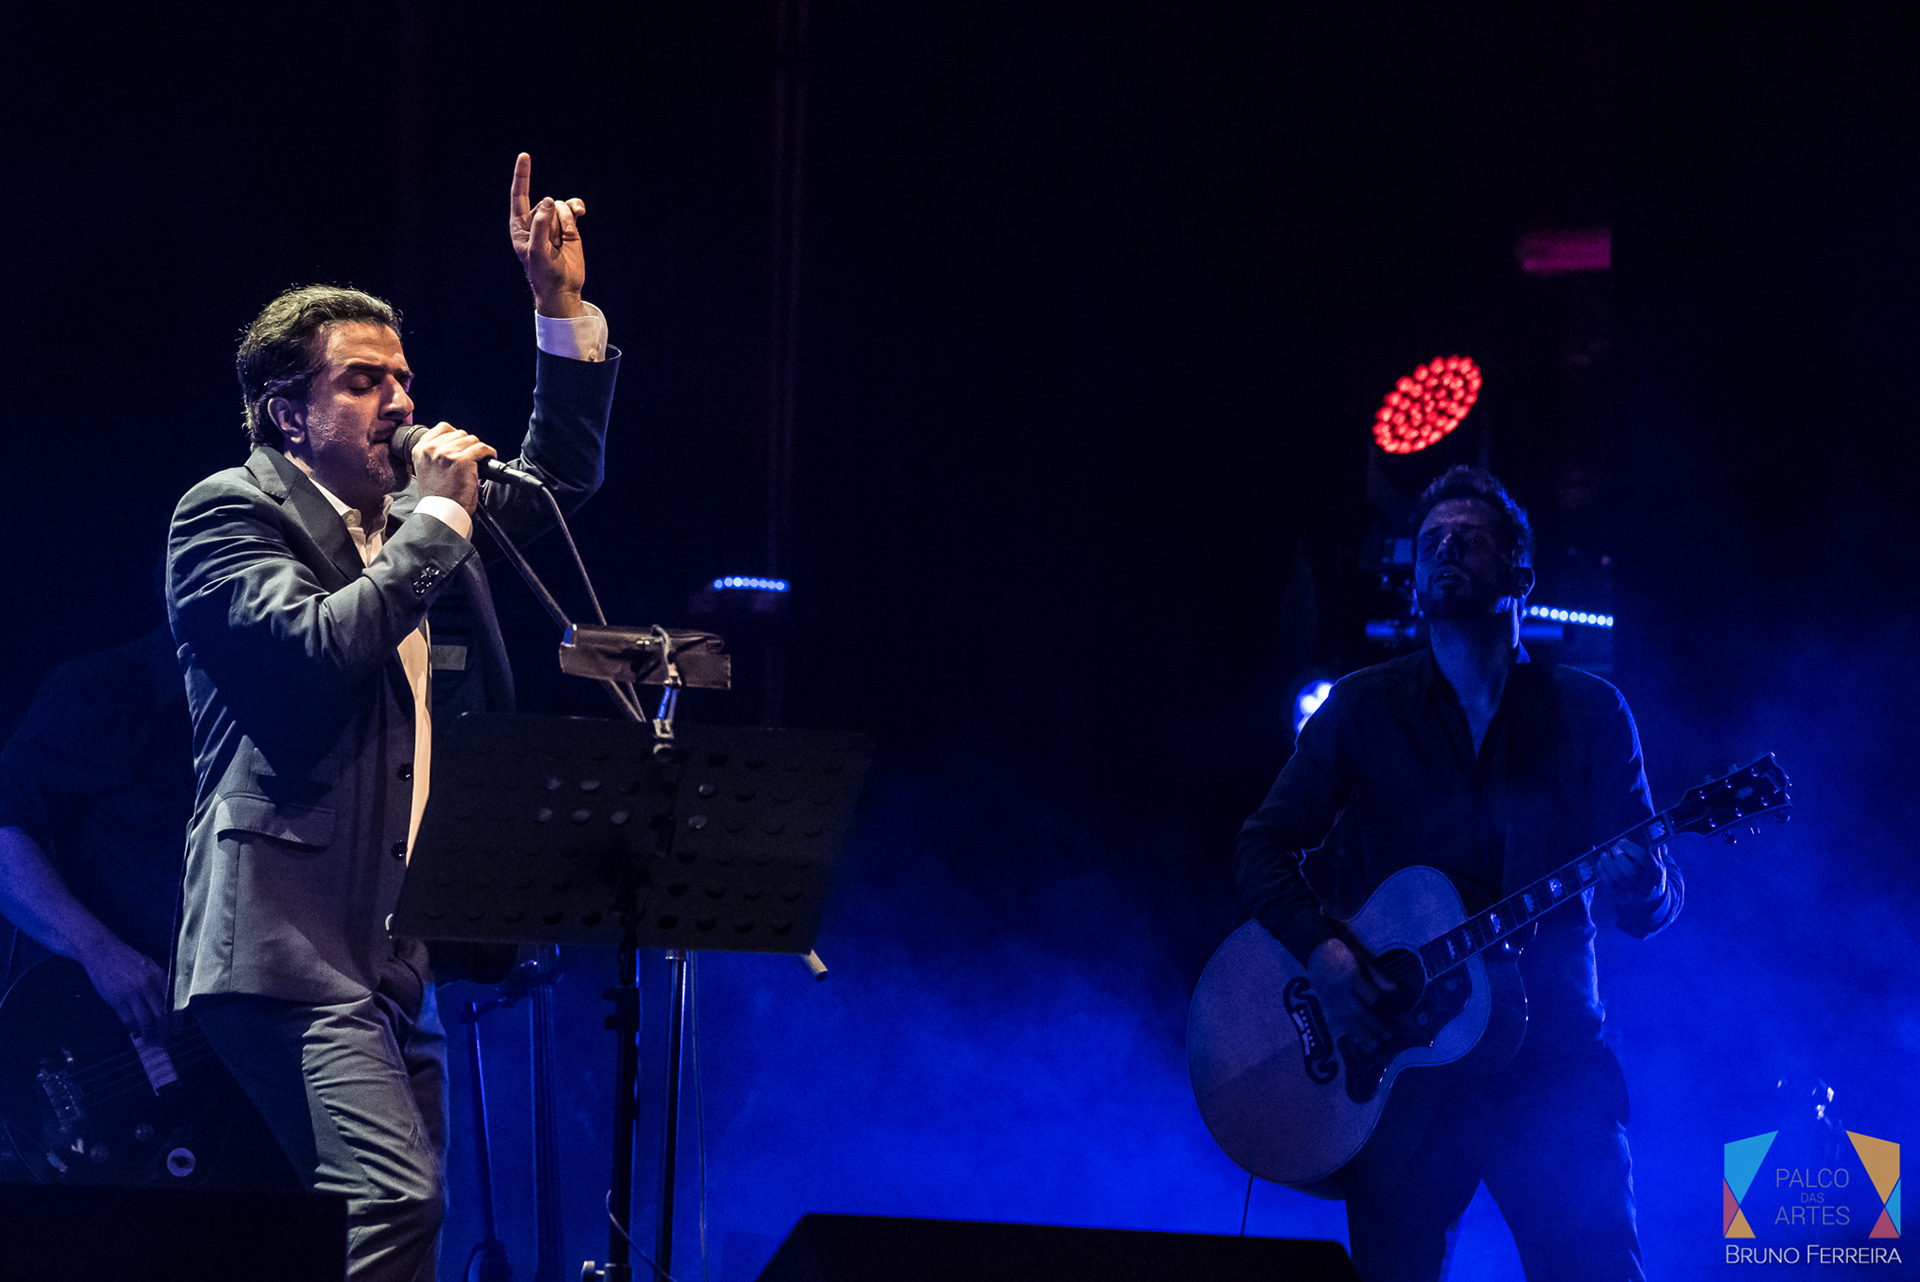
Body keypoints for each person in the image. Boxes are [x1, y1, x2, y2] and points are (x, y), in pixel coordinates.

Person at [166, 153, 618, 1282]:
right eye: (365, 382)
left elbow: (556, 485)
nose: (404, 402)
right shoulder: (226, 514)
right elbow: (317, 650)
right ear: (289, 413)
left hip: (390, 957)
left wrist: (556, 310)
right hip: (283, 945)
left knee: (408, 1227)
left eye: (404, 378)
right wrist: (436, 526)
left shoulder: (419, 517)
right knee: (395, 1201)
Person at [1234, 465, 1682, 1282]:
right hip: (1405, 1071)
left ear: (1520, 572)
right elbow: (1261, 847)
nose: (1444, 550)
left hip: (1552, 1067)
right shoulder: (1362, 708)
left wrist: (1643, 886)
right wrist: (1324, 954)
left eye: (1469, 539)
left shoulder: (1590, 712)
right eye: (1431, 541)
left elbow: (1652, 897)